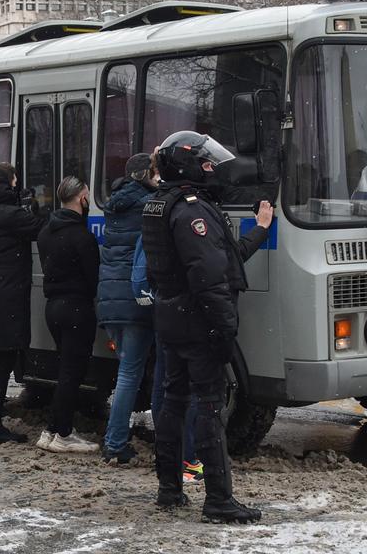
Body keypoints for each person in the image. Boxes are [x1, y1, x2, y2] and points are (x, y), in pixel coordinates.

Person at [141, 131, 273, 524]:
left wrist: (260, 228)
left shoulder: (162, 205)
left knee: (172, 401)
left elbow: (225, 258)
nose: (213, 168)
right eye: (207, 162)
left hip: (172, 316)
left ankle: (169, 488)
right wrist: (224, 327)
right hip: (198, 321)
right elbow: (211, 277)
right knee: (209, 406)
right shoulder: (193, 210)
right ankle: (218, 499)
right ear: (189, 165)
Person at [0, 163, 48, 444]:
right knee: (1, 364)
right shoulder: (11, 215)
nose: (15, 186)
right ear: (5, 184)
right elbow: (40, 228)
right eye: (13, 182)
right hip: (7, 297)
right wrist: (32, 205)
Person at [98, 154, 157, 463]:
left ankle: (116, 441)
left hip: (110, 298)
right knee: (137, 374)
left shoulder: (113, 205)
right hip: (137, 299)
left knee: (127, 371)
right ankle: (116, 443)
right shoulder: (151, 206)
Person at [36, 176, 100, 453]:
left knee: (65, 368)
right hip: (77, 308)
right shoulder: (82, 236)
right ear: (81, 199)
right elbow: (92, 278)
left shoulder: (45, 232)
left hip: (53, 307)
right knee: (72, 373)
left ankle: (52, 429)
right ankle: (61, 432)